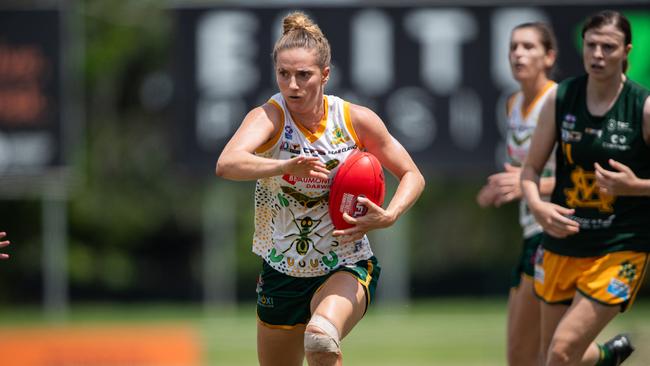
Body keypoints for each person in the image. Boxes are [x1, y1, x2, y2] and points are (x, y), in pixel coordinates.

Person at [216, 11, 425, 366]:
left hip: (345, 262)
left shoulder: (354, 119)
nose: (292, 85)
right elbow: (227, 163)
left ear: (325, 75)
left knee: (321, 339)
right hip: (282, 269)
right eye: (283, 74)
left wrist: (389, 215)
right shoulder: (270, 117)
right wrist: (284, 164)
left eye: (303, 75)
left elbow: (412, 175)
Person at [521, 10, 649, 366]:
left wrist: (635, 186)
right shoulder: (562, 99)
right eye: (591, 45)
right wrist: (539, 207)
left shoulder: (643, 107)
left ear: (627, 50)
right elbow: (530, 170)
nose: (597, 54)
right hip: (563, 242)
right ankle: (607, 356)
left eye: (608, 47)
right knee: (556, 354)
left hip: (619, 247)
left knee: (561, 351)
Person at [476, 22, 558, 366]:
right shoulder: (511, 104)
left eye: (528, 46)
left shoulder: (558, 101)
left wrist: (528, 185)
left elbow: (579, 176)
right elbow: (521, 170)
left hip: (557, 229)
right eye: (513, 47)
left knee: (550, 351)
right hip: (531, 230)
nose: (518, 54)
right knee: (524, 355)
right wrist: (498, 188)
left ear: (549, 56)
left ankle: (602, 354)